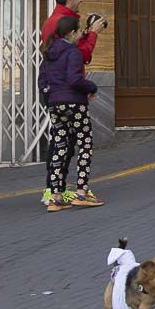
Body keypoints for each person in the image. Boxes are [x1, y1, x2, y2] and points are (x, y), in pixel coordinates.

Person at [38, 16, 102, 211]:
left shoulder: (49, 52)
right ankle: (82, 192)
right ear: (72, 33)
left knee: (59, 146)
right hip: (74, 104)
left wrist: (52, 96)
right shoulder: (72, 52)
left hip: (55, 105)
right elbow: (75, 79)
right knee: (85, 144)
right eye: (78, 31)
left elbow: (42, 82)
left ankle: (56, 196)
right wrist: (91, 87)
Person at [41, 0, 107, 64]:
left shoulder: (49, 21)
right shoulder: (65, 22)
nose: (81, 0)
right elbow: (81, 56)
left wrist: (87, 34)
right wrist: (94, 33)